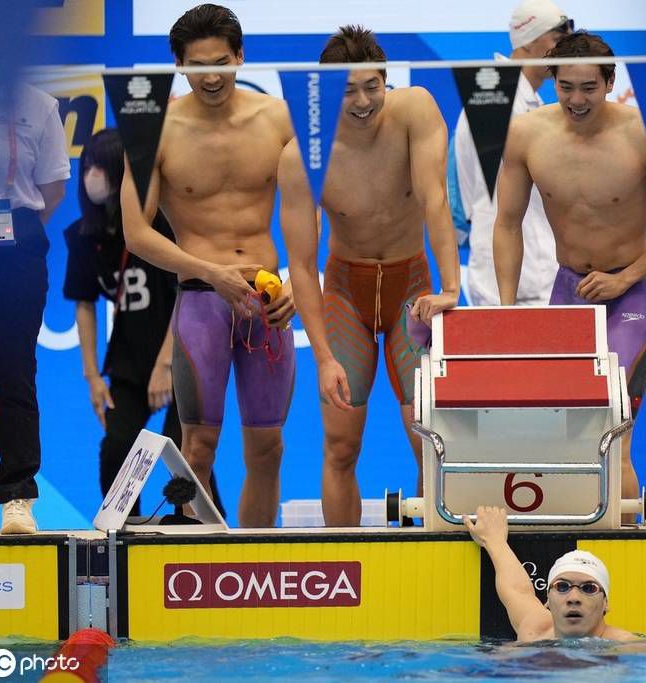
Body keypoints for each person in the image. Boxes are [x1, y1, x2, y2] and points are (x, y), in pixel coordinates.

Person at [122, 4, 348, 527]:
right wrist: (211, 270)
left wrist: (295, 279)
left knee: (268, 448)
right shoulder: (155, 129)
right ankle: (190, 568)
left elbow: (310, 209)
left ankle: (254, 564)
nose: (212, 76)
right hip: (203, 298)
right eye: (198, 66)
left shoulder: (276, 118)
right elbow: (136, 234)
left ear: (241, 56)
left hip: (269, 300)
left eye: (221, 62)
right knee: (197, 446)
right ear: (179, 65)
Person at [493, 31, 646, 522]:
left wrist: (626, 275)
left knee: (613, 431)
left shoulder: (644, 134)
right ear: (552, 82)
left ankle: (625, 548)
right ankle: (573, 545)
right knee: (570, 437)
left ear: (610, 81)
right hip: (568, 292)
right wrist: (505, 310)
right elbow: (506, 223)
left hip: (627, 296)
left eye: (588, 87)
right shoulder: (526, 134)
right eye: (566, 87)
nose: (576, 100)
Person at [317, 26, 461, 526]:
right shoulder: (312, 133)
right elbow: (304, 220)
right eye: (347, 90)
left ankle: (434, 553)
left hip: (411, 288)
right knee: (340, 446)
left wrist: (450, 286)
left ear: (387, 80)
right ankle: (341, 569)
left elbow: (434, 198)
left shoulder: (414, 109)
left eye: (371, 86)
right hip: (343, 292)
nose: (361, 101)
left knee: (430, 441)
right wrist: (295, 280)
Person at [64, 128, 225, 517]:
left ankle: (202, 530)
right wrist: (92, 378)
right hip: (128, 359)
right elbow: (84, 304)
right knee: (117, 447)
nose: (92, 176)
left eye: (102, 168)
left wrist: (165, 365)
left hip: (179, 348)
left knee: (185, 449)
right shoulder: (84, 235)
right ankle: (126, 530)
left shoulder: (159, 227)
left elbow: (189, 292)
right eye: (87, 167)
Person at [0, 0, 70, 534]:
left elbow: (52, 188)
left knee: (13, 375)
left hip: (14, 242)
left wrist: (13, 230)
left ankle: (17, 498)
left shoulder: (38, 104)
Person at [453, 0, 572, 306]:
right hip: (505, 281)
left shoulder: (528, 102)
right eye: (559, 40)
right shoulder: (493, 97)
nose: (568, 51)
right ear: (531, 41)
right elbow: (475, 191)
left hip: (537, 271)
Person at [465, 506, 637, 642]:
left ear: (606, 602)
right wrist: (494, 540)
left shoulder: (626, 648)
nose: (573, 597)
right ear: (547, 600)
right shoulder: (535, 630)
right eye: (562, 586)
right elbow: (517, 590)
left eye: (588, 588)